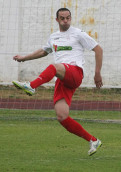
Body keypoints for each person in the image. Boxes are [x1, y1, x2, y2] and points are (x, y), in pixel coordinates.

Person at [12, 8, 103, 156]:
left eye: (68, 18)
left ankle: (31, 86)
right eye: (62, 18)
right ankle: (93, 140)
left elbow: (98, 49)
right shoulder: (53, 37)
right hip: (62, 77)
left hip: (75, 72)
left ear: (70, 18)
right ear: (57, 20)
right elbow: (43, 51)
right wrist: (23, 58)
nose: (65, 21)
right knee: (62, 116)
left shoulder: (78, 33)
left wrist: (97, 73)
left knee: (54, 67)